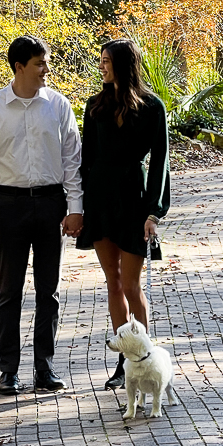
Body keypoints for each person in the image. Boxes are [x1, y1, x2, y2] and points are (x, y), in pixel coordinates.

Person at [0, 35, 83, 395]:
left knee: (48, 293)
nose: (46, 70)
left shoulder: (59, 106)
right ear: (19, 67)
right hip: (9, 205)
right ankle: (9, 372)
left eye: (46, 62)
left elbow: (72, 162)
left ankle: (44, 369)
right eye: (39, 64)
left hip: (52, 204)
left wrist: (76, 208)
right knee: (10, 293)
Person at [76, 39, 170, 390]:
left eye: (107, 61)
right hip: (100, 200)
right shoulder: (94, 105)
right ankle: (123, 363)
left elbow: (160, 161)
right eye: (100, 61)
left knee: (131, 284)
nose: (102, 66)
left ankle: (143, 356)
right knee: (112, 282)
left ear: (124, 64)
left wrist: (154, 212)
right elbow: (86, 159)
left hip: (133, 199)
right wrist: (80, 206)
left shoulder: (151, 107)